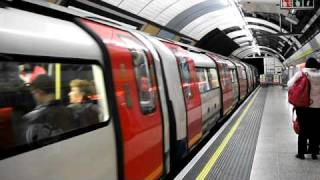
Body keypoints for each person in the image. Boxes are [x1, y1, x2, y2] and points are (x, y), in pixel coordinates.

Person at [23, 75, 73, 144]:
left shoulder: (36, 119)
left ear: (39, 92)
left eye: (33, 93)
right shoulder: (70, 111)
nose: (33, 96)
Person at [288, 57, 320, 160]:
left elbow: (289, 84)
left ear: (306, 64)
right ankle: (314, 153)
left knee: (303, 129)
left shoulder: (301, 73)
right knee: (315, 129)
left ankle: (301, 154)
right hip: (317, 107)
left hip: (303, 106)